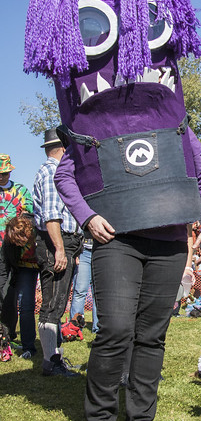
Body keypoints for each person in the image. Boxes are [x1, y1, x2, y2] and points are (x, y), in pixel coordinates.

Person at [25, 0, 201, 419]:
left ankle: (141, 415)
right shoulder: (90, 134)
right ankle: (101, 414)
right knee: (114, 331)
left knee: (152, 334)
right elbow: (66, 176)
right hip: (118, 239)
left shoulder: (179, 126)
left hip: (171, 236)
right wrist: (88, 218)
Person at [33, 129, 84, 377]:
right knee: (52, 303)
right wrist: (61, 250)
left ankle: (55, 358)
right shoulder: (52, 171)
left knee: (58, 302)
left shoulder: (52, 170)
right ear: (64, 149)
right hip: (56, 242)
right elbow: (52, 215)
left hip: (64, 242)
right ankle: (50, 361)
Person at [0, 155, 38, 358]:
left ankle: (28, 345)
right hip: (1, 254)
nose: (2, 177)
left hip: (21, 253)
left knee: (25, 302)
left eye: (4, 173)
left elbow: (31, 217)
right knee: (4, 296)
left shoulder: (21, 191)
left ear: (10, 172)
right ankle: (5, 337)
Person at [69, 237, 98, 332]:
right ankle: (75, 327)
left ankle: (98, 328)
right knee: (80, 291)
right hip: (83, 251)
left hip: (100, 250)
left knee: (99, 293)